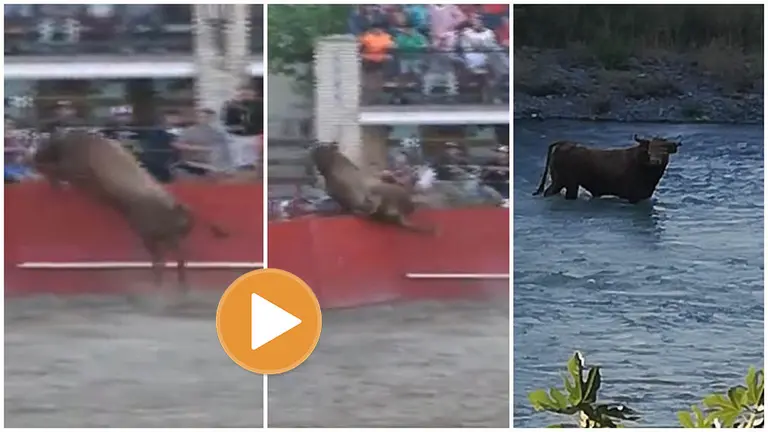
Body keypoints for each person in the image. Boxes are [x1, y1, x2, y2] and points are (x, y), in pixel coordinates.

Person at [174, 108, 232, 177]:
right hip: (193, 164)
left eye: (207, 117)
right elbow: (177, 145)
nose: (204, 119)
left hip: (213, 166)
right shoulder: (190, 131)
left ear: (212, 118)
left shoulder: (218, 133)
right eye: (201, 117)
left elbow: (224, 151)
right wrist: (197, 148)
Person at [221, 84, 263, 169]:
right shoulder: (230, 105)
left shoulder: (260, 105)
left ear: (253, 94)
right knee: (238, 159)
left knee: (253, 158)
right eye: (242, 94)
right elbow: (226, 120)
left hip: (255, 135)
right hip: (236, 136)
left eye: (247, 94)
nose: (245, 96)